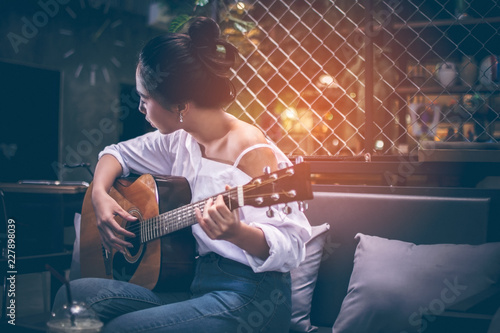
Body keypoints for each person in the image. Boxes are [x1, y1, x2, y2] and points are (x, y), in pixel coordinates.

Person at [53, 17, 311, 332]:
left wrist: (236, 233)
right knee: (73, 297)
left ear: (179, 105)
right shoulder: (181, 138)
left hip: (252, 297)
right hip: (195, 283)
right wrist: (99, 195)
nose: (140, 108)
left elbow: (294, 245)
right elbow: (116, 154)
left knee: (121, 328)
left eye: (145, 98)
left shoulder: (253, 151)